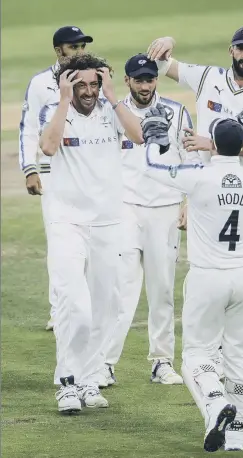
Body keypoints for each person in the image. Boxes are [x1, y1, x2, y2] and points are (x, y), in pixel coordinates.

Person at [141, 104, 243, 451]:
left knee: (196, 354)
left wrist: (156, 138)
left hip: (208, 277)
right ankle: (237, 434)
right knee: (241, 354)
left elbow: (152, 165)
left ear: (214, 145)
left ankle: (215, 402)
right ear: (242, 146)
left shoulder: (199, 175)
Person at [147, 26, 243, 378]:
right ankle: (208, 355)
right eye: (240, 49)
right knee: (206, 271)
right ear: (230, 50)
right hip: (206, 190)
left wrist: (214, 144)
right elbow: (162, 65)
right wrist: (170, 41)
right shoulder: (209, 77)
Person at [38, 53, 143, 413]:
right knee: (76, 307)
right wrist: (64, 101)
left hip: (108, 223)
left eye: (93, 84)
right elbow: (48, 147)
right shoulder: (56, 112)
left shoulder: (110, 111)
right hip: (67, 223)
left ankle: (87, 379)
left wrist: (113, 97)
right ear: (66, 84)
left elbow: (139, 135)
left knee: (104, 308)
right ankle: (66, 382)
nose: (88, 91)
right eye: (79, 84)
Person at [103, 53, 199, 385]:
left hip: (166, 208)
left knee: (161, 288)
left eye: (150, 79)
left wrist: (188, 201)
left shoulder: (177, 111)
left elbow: (193, 158)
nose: (145, 85)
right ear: (127, 81)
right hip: (126, 208)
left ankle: (161, 362)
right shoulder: (114, 113)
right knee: (122, 287)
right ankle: (105, 362)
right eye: (139, 79)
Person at [19, 26, 94, 331]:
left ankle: (87, 307)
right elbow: (28, 130)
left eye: (82, 46)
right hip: (54, 176)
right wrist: (30, 168)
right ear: (58, 50)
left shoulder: (93, 79)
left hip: (90, 175)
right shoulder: (40, 84)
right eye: (72, 47)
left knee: (93, 244)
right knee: (60, 246)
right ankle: (59, 310)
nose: (78, 52)